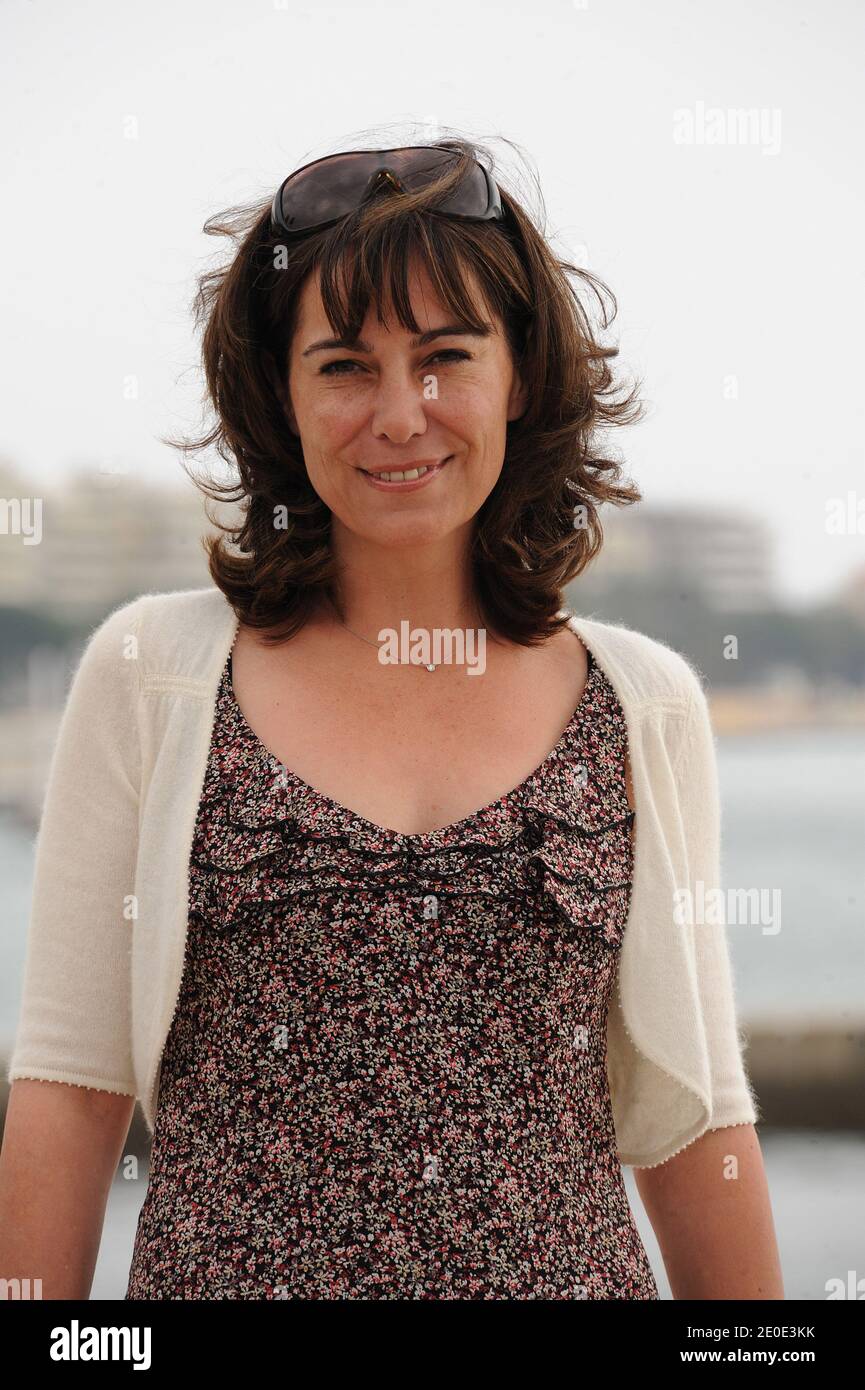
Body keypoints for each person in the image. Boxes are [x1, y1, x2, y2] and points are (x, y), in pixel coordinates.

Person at [0, 137, 783, 1299]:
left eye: (445, 356)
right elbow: (67, 1097)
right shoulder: (149, 676)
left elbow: (698, 1128)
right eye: (344, 366)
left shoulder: (641, 705)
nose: (401, 414)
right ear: (283, 393)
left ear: (518, 375)